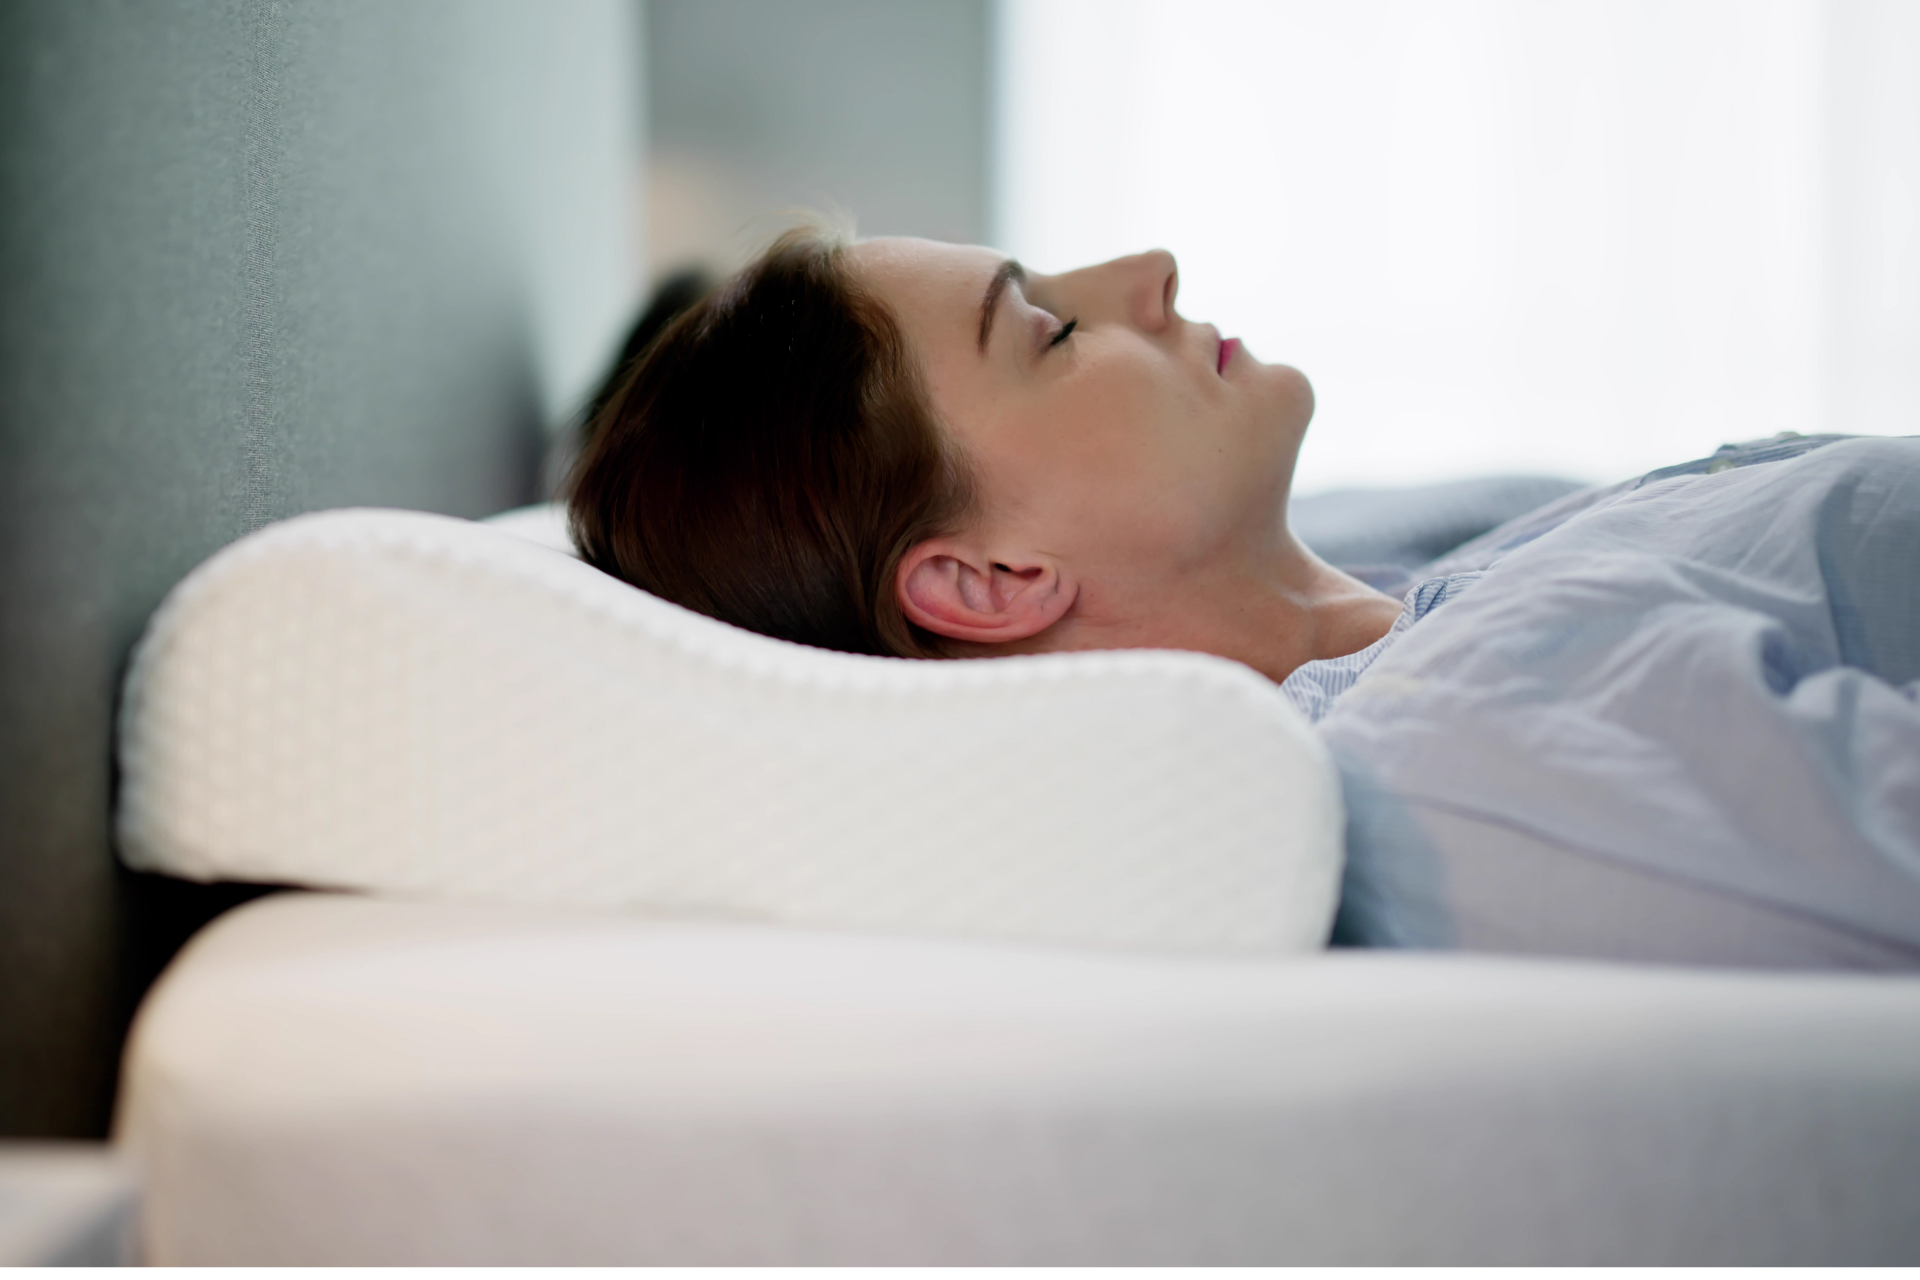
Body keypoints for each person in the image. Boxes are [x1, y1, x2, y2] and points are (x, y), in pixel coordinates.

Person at [570, 224, 1920, 970]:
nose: (1144, 271)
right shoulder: (1464, 739)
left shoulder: (1458, 612)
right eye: (1044, 329)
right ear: (991, 579)